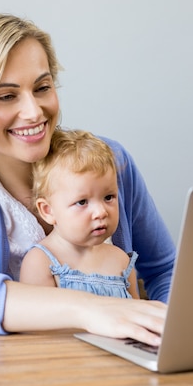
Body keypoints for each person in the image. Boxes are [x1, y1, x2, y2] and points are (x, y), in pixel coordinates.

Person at [0, 13, 175, 346]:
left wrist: (164, 337)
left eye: (42, 87)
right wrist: (89, 309)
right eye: (6, 96)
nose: (33, 112)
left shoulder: (109, 163)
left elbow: (164, 270)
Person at [20, 128, 140, 300]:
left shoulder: (121, 260)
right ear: (48, 210)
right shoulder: (41, 262)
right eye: (82, 202)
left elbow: (139, 315)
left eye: (108, 197)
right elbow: (35, 324)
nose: (101, 212)